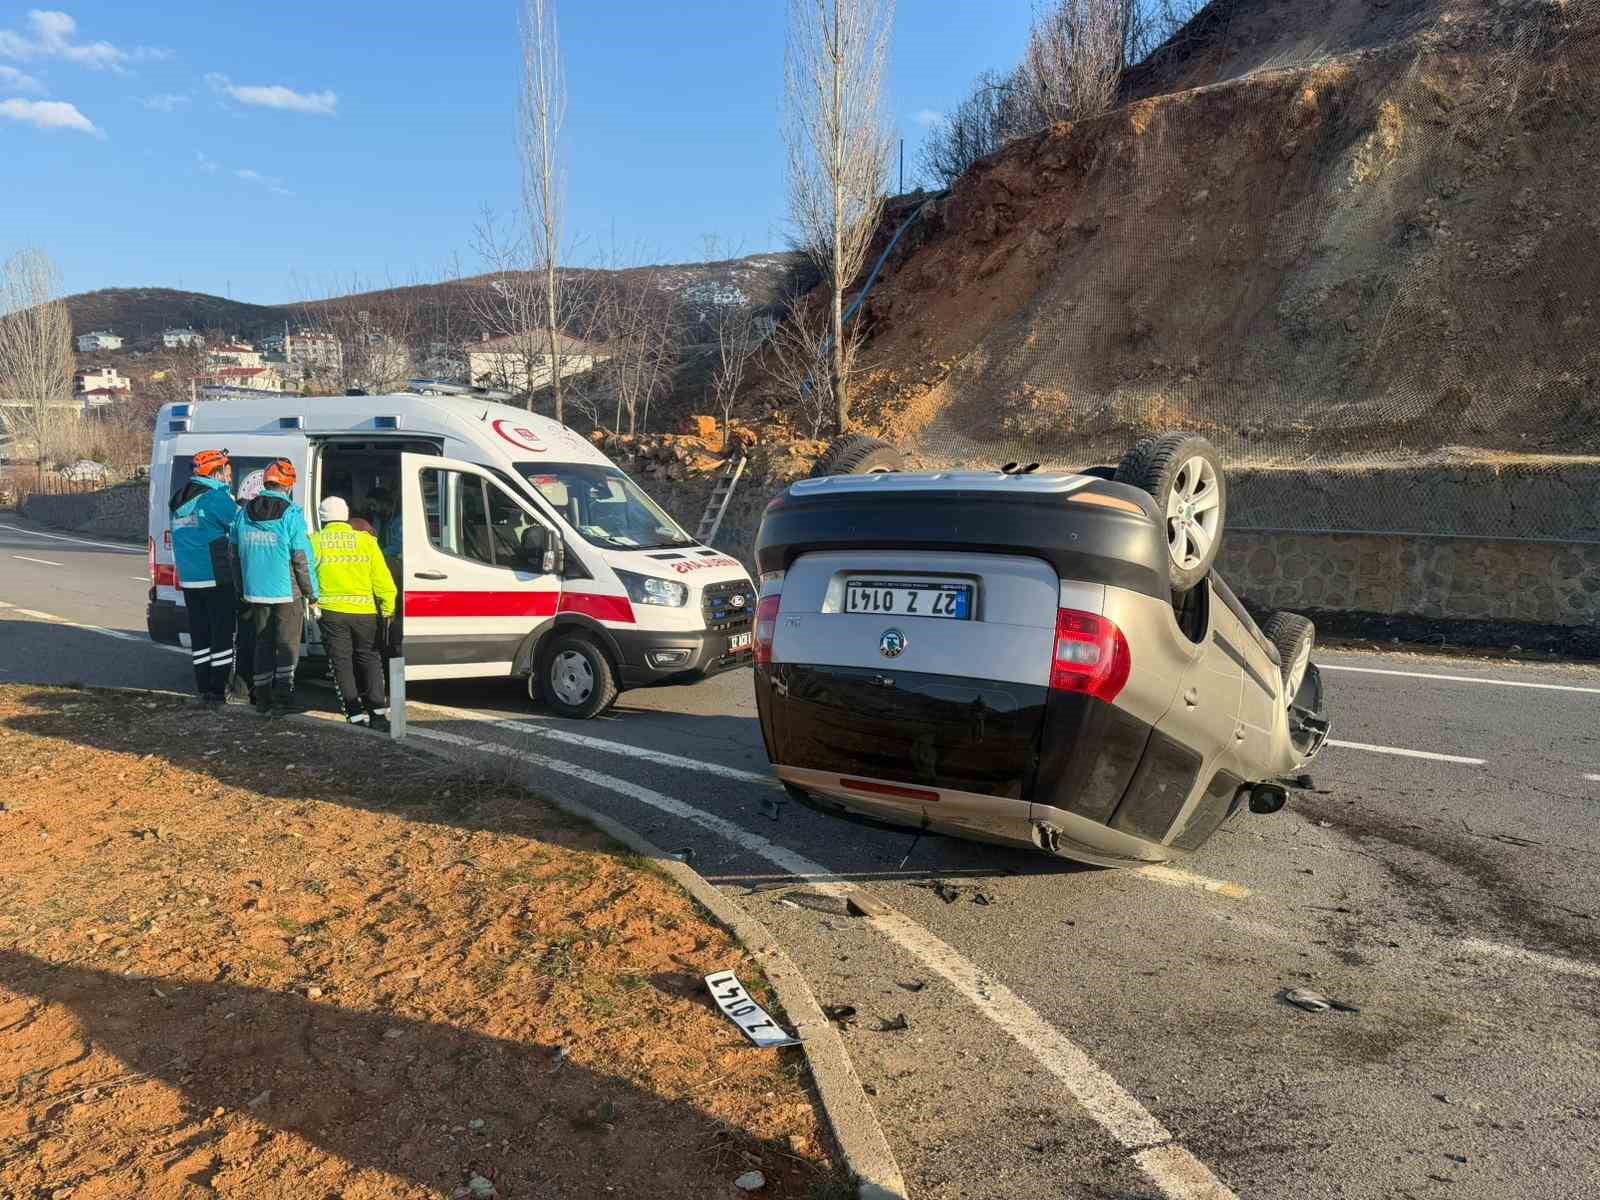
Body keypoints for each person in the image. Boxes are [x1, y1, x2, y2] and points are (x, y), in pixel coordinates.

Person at [230, 458, 319, 716]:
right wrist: (312, 594)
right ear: (288, 486)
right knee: (286, 646)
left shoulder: (244, 513)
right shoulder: (291, 515)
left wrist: (241, 589)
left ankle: (263, 699)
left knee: (262, 643)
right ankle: (282, 698)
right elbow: (301, 559)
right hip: (286, 592)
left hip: (255, 592)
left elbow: (233, 555)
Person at [310, 496, 397, 730]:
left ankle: (355, 716)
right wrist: (388, 608)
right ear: (346, 515)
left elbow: (308, 576)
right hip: (365, 612)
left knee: (342, 663)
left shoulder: (315, 541)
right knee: (369, 659)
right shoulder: (365, 541)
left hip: (331, 612)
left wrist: (313, 604)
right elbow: (383, 579)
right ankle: (379, 715)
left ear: (322, 517)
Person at [169, 449, 239, 705]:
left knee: (200, 635)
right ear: (216, 472)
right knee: (221, 635)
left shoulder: (179, 498)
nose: (229, 474)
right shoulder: (215, 499)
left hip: (190, 579)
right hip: (216, 577)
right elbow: (239, 525)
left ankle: (204, 687)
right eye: (227, 470)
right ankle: (218, 690)